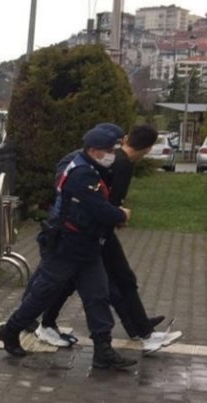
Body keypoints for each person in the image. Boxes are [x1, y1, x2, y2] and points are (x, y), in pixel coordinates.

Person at [0, 127, 137, 370]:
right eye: (108, 150)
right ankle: (11, 330)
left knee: (97, 296)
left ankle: (103, 350)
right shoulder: (82, 174)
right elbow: (101, 210)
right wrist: (120, 214)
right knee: (44, 292)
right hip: (66, 246)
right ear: (93, 150)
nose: (112, 154)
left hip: (87, 247)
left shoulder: (90, 166)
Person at [35, 124, 182, 353]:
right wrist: (118, 216)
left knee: (98, 282)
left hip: (94, 232)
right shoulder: (121, 164)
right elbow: (105, 202)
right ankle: (138, 332)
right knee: (114, 282)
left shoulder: (116, 160)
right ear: (148, 147)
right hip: (95, 233)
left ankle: (139, 328)